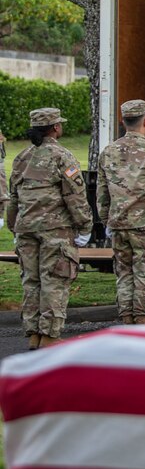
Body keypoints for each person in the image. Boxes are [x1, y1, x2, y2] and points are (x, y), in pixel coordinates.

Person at [6, 108, 93, 349]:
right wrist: (85, 227)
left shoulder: (21, 157)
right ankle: (51, 336)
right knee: (55, 279)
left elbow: (13, 199)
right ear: (55, 128)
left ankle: (34, 334)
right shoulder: (62, 156)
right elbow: (75, 196)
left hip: (26, 229)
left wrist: (14, 228)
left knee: (31, 281)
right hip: (55, 230)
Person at [97, 99, 145, 324]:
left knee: (124, 276)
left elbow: (102, 192)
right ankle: (142, 326)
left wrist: (107, 222)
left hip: (119, 225)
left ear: (123, 122)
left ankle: (127, 324)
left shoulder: (108, 151)